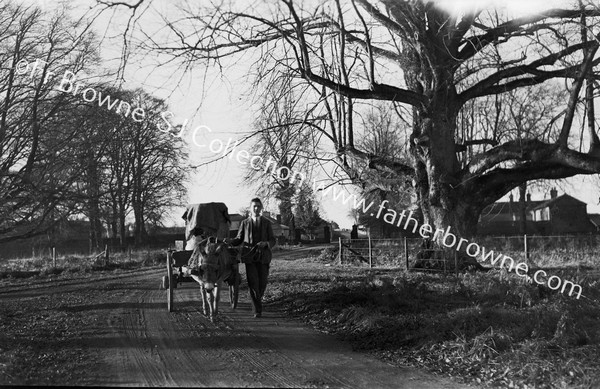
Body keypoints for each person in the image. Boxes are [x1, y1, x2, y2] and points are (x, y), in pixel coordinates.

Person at [226, 198, 276, 318]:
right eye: (254, 206)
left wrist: (266, 244)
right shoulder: (245, 223)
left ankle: (257, 303)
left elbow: (273, 240)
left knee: (262, 284)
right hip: (250, 257)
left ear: (261, 208)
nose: (256, 208)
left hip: (264, 257)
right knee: (253, 283)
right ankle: (257, 311)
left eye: (258, 206)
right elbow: (239, 239)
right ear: (250, 208)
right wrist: (229, 242)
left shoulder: (266, 223)